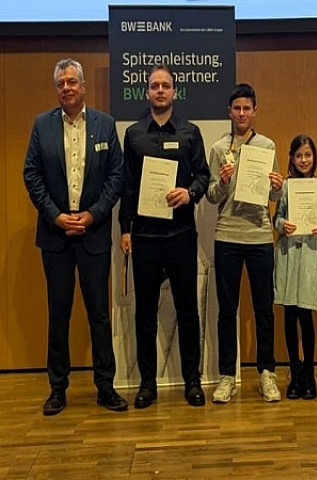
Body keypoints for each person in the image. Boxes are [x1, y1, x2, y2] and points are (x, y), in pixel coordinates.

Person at [23, 58, 128, 415]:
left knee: (99, 314)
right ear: (57, 89)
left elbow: (117, 176)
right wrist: (56, 216)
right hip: (56, 237)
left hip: (93, 234)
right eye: (61, 83)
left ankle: (105, 387)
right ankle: (57, 388)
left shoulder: (105, 125)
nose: (66, 88)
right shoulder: (42, 125)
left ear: (83, 86)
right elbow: (31, 175)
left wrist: (93, 214)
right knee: (58, 314)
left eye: (72, 82)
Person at [118, 64, 210, 409]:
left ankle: (192, 381)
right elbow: (128, 186)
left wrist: (190, 192)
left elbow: (203, 175)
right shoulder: (133, 134)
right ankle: (147, 384)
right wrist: (124, 228)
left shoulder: (190, 133)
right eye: (154, 85)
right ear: (147, 92)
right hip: (145, 236)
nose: (160, 90)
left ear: (174, 92)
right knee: (145, 312)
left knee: (187, 310)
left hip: (181, 234)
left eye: (165, 85)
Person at [207, 83, 284, 403]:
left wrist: (278, 186)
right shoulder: (218, 149)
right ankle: (227, 376)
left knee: (264, 309)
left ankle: (267, 373)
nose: (241, 113)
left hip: (259, 235)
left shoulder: (267, 146)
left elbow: (275, 195)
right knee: (227, 310)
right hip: (227, 235)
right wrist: (223, 182)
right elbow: (211, 196)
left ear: (255, 112)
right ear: (229, 111)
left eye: (247, 108)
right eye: (237, 108)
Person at [273, 134, 317, 400]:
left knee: (306, 316)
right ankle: (294, 372)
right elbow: (277, 218)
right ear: (292, 159)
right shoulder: (285, 187)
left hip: (308, 255)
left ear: (314, 157)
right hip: (287, 255)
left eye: (308, 155)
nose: (304, 160)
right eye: (299, 156)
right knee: (289, 314)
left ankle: (309, 373)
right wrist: (281, 225)